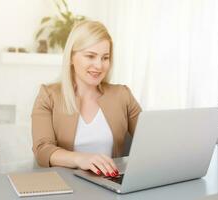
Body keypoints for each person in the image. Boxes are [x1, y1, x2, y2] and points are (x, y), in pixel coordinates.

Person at [31, 20, 142, 178]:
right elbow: (42, 150)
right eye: (90, 56)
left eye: (105, 58)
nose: (99, 65)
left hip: (109, 186)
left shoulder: (122, 95)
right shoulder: (49, 96)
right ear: (71, 57)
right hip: (65, 186)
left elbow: (149, 140)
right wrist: (81, 159)